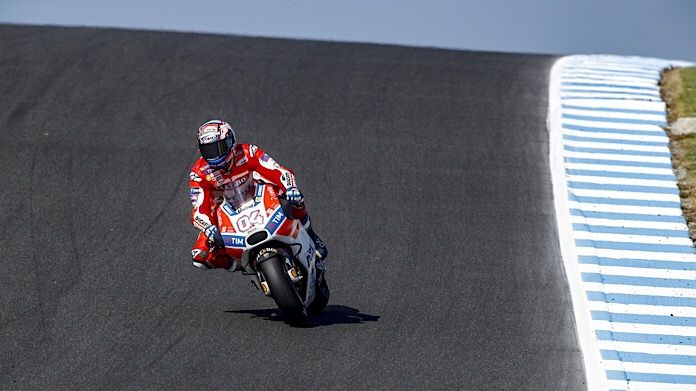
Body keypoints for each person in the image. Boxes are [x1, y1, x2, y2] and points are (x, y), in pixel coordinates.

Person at [188, 119, 328, 271]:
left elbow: (279, 171)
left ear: (230, 141)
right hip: (226, 212)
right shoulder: (198, 173)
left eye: (218, 148)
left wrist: (291, 188)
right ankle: (241, 266)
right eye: (208, 150)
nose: (214, 155)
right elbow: (198, 208)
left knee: (295, 198)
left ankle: (311, 235)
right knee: (199, 257)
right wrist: (208, 227)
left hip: (260, 195)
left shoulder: (248, 152)